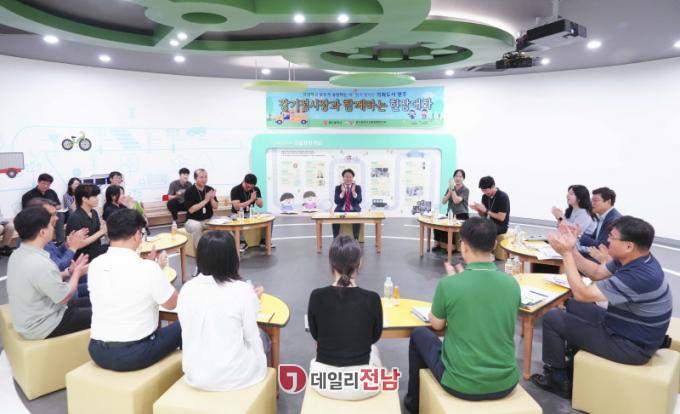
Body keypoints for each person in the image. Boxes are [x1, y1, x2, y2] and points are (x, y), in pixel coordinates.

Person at [531, 216, 672, 399]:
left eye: (612, 237)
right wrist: (572, 249)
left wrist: (566, 255)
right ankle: (575, 360)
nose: (607, 241)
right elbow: (596, 272)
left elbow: (583, 293)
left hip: (632, 347)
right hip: (627, 329)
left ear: (628, 246)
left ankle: (558, 379)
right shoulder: (636, 259)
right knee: (573, 305)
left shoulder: (638, 276)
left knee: (553, 317)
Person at [404, 217, 520, 413]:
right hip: (505, 382)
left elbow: (437, 324)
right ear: (494, 245)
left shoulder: (449, 285)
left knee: (419, 335)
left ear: (463, 245)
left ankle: (414, 403)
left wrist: (455, 285)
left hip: (461, 383)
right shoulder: (512, 284)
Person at [88, 209, 181, 371]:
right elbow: (172, 303)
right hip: (133, 354)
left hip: (97, 351)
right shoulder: (147, 268)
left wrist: (153, 268)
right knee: (187, 323)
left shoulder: (96, 264)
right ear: (137, 235)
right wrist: (158, 271)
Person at [178, 231, 270, 391]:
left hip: (195, 375)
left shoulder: (187, 289)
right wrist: (253, 299)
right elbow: (251, 335)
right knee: (264, 337)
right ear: (232, 258)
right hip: (234, 377)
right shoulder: (242, 290)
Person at [307, 236, 383, 400]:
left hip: (323, 383)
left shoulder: (316, 296)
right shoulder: (372, 299)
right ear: (359, 263)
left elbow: (315, 334)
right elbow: (374, 337)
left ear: (331, 264)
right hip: (364, 386)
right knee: (375, 352)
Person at [6, 206, 91, 340]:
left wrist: (69, 272)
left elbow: (43, 279)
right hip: (43, 325)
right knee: (102, 313)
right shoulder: (39, 263)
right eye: (50, 225)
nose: (53, 227)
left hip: (39, 314)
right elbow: (65, 297)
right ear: (43, 232)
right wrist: (77, 273)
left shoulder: (18, 253)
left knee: (95, 300)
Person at [27, 198, 88, 272]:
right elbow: (58, 267)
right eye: (52, 215)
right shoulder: (36, 239)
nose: (57, 218)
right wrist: (73, 248)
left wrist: (67, 245)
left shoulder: (41, 234)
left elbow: (55, 253)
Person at [66, 183, 108, 260]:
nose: (97, 199)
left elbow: (96, 234)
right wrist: (101, 232)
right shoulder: (75, 217)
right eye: (94, 197)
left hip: (95, 250)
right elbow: (77, 245)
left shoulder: (94, 212)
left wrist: (103, 229)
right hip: (83, 256)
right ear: (84, 199)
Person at [21, 173, 65, 243]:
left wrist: (54, 207)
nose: (45, 186)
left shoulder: (52, 192)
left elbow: (59, 205)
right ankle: (46, 243)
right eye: (43, 183)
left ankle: (60, 241)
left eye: (48, 184)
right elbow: (26, 211)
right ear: (38, 182)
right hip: (37, 216)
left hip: (51, 215)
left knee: (60, 215)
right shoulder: (28, 195)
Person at [433, 169, 469, 251]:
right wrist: (450, 191)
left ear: (463, 178)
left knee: (449, 226)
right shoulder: (450, 188)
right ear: (454, 177)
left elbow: (456, 201)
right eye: (456, 176)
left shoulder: (465, 190)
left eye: (460, 176)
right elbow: (443, 201)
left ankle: (451, 247)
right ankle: (438, 243)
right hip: (450, 214)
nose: (458, 178)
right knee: (437, 223)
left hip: (462, 215)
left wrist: (452, 190)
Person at [230, 173, 268, 250]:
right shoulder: (235, 190)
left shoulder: (255, 190)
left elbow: (260, 205)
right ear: (244, 181)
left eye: (251, 187)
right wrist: (251, 200)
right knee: (233, 219)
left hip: (250, 213)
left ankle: (264, 240)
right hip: (237, 214)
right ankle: (242, 242)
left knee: (268, 216)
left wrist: (255, 198)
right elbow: (236, 207)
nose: (248, 188)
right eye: (247, 186)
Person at [578, 187, 622, 251]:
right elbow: (594, 237)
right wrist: (577, 233)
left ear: (608, 202)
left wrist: (579, 236)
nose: (592, 203)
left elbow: (603, 246)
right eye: (591, 200)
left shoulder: (613, 219)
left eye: (595, 200)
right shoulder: (603, 216)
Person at [184, 168, 218, 248]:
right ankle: (200, 251)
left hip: (208, 220)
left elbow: (215, 206)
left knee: (224, 222)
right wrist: (206, 200)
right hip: (192, 221)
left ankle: (220, 249)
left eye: (206, 177)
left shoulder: (209, 189)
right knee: (197, 226)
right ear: (195, 178)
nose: (204, 179)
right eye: (201, 177)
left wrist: (212, 199)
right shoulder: (189, 191)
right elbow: (191, 210)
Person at [332, 169, 362, 239]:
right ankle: (335, 238)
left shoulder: (357, 187)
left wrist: (353, 192)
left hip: (354, 210)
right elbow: (336, 201)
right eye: (346, 177)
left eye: (350, 177)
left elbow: (359, 201)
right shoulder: (338, 187)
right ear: (343, 178)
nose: (348, 179)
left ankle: (356, 239)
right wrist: (342, 192)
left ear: (353, 178)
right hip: (341, 210)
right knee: (335, 219)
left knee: (357, 218)